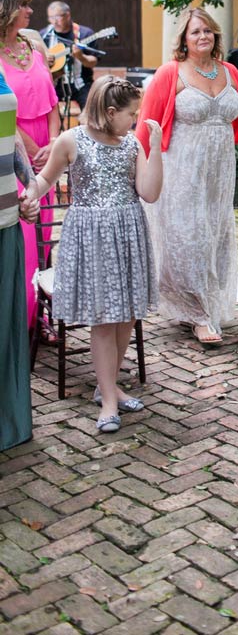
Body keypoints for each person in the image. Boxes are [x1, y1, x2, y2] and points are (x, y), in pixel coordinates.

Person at [135, 7, 238, 347]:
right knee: (189, 237)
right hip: (180, 170)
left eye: (208, 31)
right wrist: (137, 171)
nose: (203, 36)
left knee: (214, 236)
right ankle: (199, 314)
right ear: (184, 39)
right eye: (195, 32)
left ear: (215, 35)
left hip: (219, 172)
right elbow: (145, 126)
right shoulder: (170, 74)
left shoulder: (229, 71)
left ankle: (203, 301)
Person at [24, 76, 163, 433]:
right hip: (91, 238)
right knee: (104, 319)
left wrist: (157, 146)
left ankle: (108, 387)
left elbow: (149, 193)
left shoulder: (132, 144)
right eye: (131, 113)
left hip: (128, 233)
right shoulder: (72, 140)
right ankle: (109, 404)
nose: (135, 119)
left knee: (126, 315)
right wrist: (29, 195)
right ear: (111, 111)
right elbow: (45, 179)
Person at [0, 0, 60, 332]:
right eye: (24, 4)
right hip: (13, 150)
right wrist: (34, 148)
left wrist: (53, 143)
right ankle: (19, 321)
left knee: (42, 238)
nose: (30, 10)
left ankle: (42, 315)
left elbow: (52, 102)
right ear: (8, 11)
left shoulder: (34, 46)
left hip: (46, 152)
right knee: (20, 238)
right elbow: (3, 109)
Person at [0, 72, 40, 452]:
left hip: (5, 217)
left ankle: (7, 422)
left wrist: (28, 185)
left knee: (5, 327)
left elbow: (7, 133)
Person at [40, 1, 99, 111]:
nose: (54, 21)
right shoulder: (44, 35)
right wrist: (44, 60)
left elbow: (93, 62)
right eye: (51, 17)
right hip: (53, 83)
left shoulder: (85, 33)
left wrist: (81, 56)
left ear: (68, 15)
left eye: (58, 16)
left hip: (80, 83)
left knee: (91, 109)